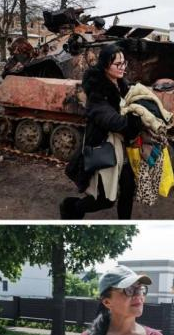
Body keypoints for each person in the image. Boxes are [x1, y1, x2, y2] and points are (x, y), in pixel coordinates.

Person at [60, 43, 142, 220]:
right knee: (105, 200)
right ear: (105, 64)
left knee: (128, 189)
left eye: (124, 63)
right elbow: (108, 118)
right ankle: (71, 207)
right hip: (106, 146)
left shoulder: (122, 85)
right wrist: (133, 121)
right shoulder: (97, 90)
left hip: (124, 149)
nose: (122, 68)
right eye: (117, 64)